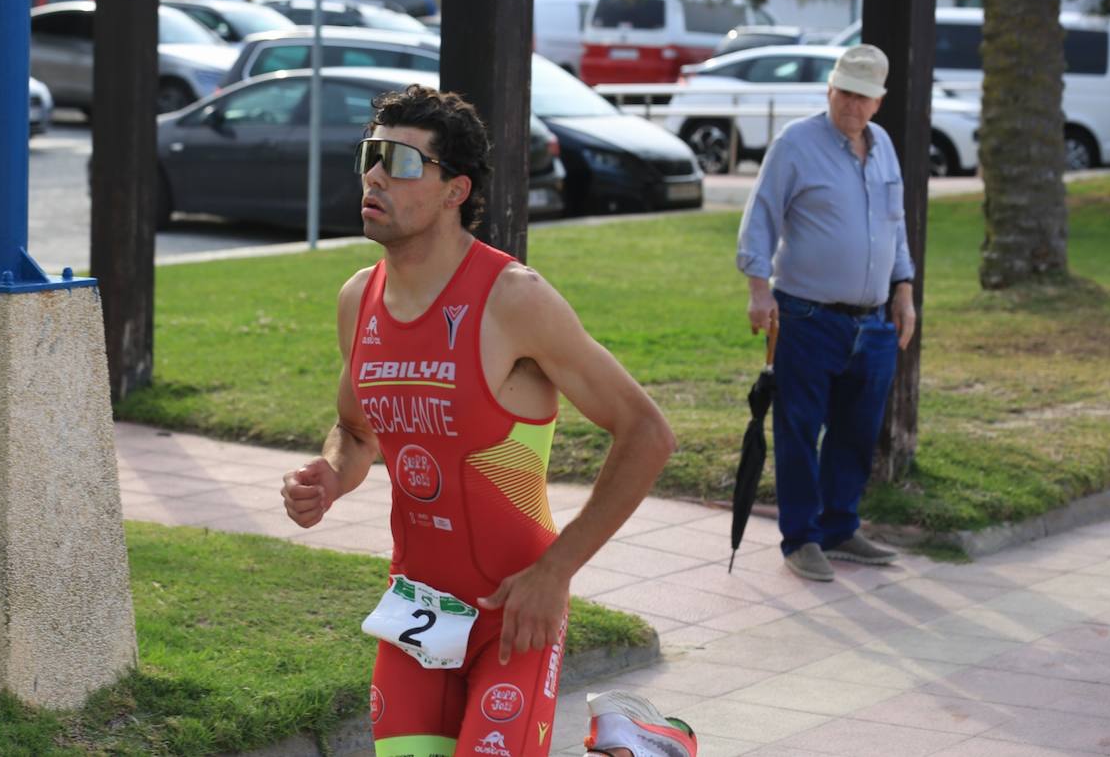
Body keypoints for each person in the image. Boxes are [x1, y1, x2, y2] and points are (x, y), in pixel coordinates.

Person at [280, 85, 691, 757]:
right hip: (416, 611)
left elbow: (648, 432)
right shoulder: (358, 298)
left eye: (402, 162)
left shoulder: (513, 298)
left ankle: (644, 744)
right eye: (371, 155)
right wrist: (329, 476)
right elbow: (355, 432)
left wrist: (555, 572)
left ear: (455, 190)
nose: (376, 175)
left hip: (516, 612)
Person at [735, 44, 917, 583]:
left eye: (864, 97)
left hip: (874, 320)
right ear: (829, 90)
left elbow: (895, 225)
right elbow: (760, 217)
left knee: (857, 432)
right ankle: (802, 538)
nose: (853, 106)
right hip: (807, 316)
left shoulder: (883, 147)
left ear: (879, 102)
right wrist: (758, 290)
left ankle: (840, 527)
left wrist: (904, 291)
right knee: (799, 429)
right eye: (846, 94)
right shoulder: (796, 143)